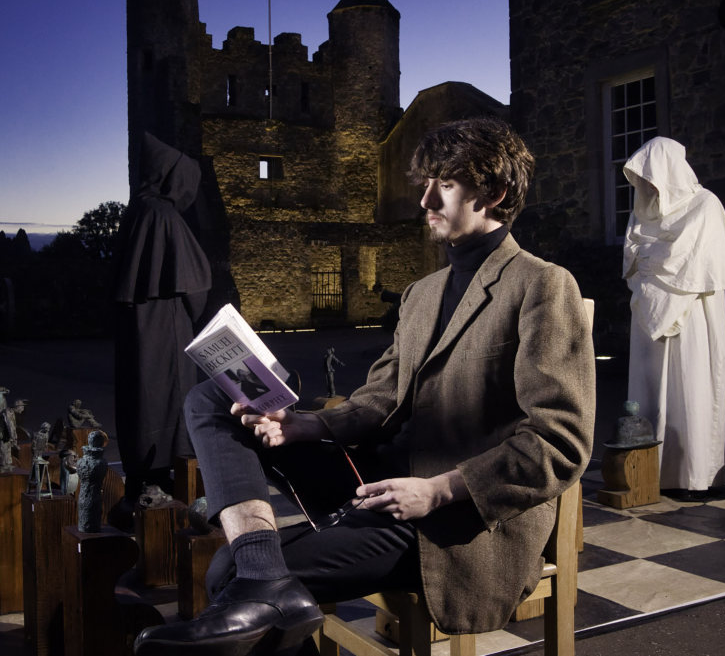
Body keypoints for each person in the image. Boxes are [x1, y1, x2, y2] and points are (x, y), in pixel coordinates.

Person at [134, 118, 596, 655]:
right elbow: (379, 398)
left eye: (443, 184)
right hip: (372, 482)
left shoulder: (542, 284)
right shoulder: (423, 293)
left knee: (227, 570)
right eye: (425, 182)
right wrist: (306, 425)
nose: (424, 198)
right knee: (213, 397)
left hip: (452, 520)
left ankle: (261, 580)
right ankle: (265, 577)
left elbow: (562, 441)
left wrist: (439, 489)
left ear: (492, 193)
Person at [623, 137, 725, 500]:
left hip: (693, 317)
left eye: (651, 178)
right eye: (641, 179)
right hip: (647, 313)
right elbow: (633, 257)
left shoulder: (705, 205)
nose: (646, 187)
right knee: (649, 392)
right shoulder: (643, 213)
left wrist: (651, 256)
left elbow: (688, 261)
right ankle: (648, 473)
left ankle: (694, 475)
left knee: (692, 385)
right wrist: (653, 257)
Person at [114, 132, 212, 511]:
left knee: (141, 396)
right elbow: (195, 285)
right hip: (164, 328)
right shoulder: (163, 215)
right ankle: (160, 477)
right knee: (166, 396)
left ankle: (143, 475)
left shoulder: (137, 209)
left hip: (141, 327)